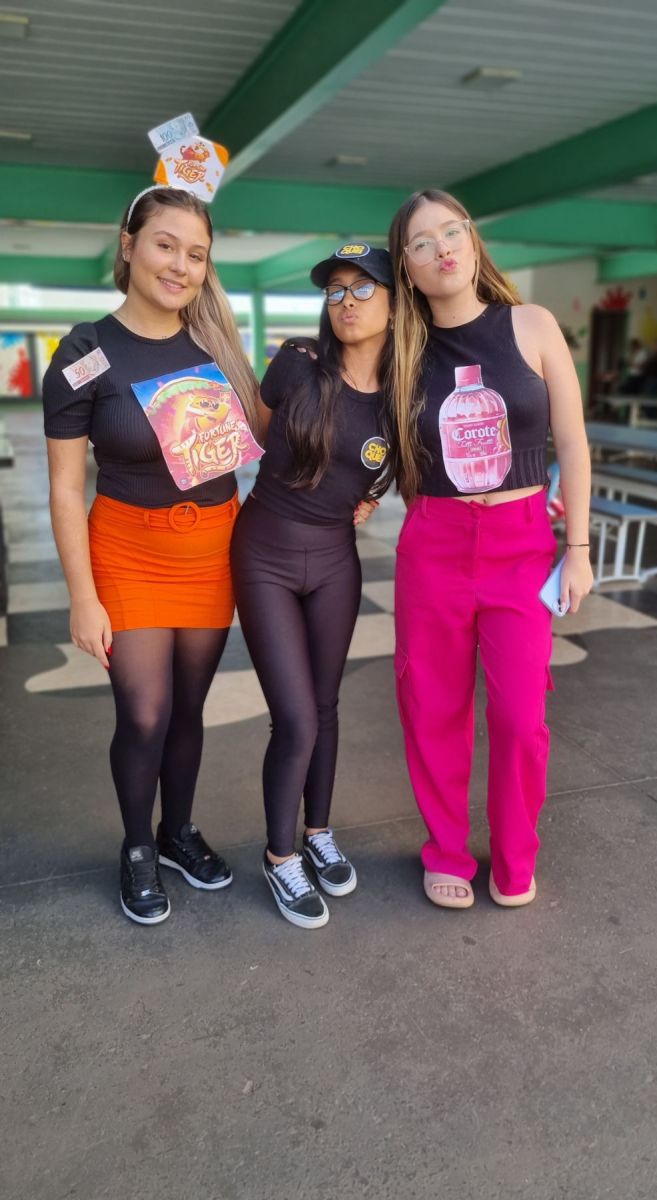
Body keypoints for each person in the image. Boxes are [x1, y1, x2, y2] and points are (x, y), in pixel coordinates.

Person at [43, 186, 259, 925]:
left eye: (196, 254)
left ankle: (177, 832)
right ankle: (137, 845)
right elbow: (66, 487)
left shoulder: (216, 346)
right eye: (165, 244)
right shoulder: (85, 353)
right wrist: (82, 595)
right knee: (144, 712)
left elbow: (277, 434)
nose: (179, 265)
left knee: (189, 708)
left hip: (212, 548)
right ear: (129, 244)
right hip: (127, 550)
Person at [388, 189, 593, 910]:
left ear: (472, 239)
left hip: (522, 546)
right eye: (422, 242)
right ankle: (445, 850)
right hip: (434, 545)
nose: (442, 248)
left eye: (452, 231)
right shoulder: (401, 348)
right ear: (406, 267)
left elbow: (571, 441)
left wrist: (577, 546)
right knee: (432, 707)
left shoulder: (531, 324)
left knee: (519, 716)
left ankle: (514, 854)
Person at [230, 244, 394, 929]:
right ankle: (280, 857)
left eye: (363, 288)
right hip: (264, 552)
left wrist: (373, 493)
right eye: (336, 291)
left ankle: (318, 832)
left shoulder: (404, 392)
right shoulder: (298, 361)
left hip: (334, 561)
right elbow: (255, 439)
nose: (347, 302)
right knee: (295, 717)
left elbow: (400, 463)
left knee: (324, 707)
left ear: (395, 303)